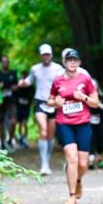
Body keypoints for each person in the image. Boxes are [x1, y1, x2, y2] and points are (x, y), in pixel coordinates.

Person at [48, 48, 99, 204]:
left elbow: (95, 103)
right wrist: (56, 102)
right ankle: (71, 196)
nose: (72, 62)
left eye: (75, 60)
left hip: (83, 123)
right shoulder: (57, 81)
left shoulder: (85, 79)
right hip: (64, 123)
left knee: (83, 163)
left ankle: (77, 180)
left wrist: (82, 97)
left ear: (79, 62)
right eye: (69, 60)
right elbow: (49, 100)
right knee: (72, 158)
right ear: (64, 62)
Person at [18, 44, 63, 174]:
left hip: (53, 103)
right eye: (44, 54)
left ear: (51, 55)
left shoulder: (58, 69)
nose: (46, 56)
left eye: (48, 54)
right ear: (40, 55)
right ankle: (44, 163)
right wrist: (22, 83)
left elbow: (64, 83)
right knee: (43, 131)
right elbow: (29, 81)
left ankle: (47, 160)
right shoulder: (35, 69)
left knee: (50, 134)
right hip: (40, 102)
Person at [89, 82, 103, 169]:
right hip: (89, 122)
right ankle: (90, 160)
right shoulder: (86, 97)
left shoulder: (102, 96)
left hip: (100, 123)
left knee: (99, 142)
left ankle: (99, 159)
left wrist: (98, 104)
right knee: (90, 139)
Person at [14, 69, 33, 148]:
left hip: (26, 106)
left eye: (25, 75)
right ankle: (20, 137)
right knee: (19, 123)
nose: (24, 77)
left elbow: (32, 94)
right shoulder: (18, 84)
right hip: (19, 106)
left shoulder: (30, 85)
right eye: (23, 75)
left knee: (25, 123)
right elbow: (15, 93)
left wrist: (30, 102)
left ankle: (24, 138)